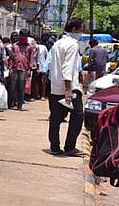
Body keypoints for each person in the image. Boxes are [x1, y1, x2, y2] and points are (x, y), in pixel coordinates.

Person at [47, 18, 85, 157]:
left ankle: (55, 147)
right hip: (69, 87)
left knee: (55, 119)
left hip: (55, 86)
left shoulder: (58, 44)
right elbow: (67, 67)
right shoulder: (72, 45)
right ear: (75, 30)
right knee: (78, 116)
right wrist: (68, 89)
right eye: (81, 29)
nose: (82, 32)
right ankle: (70, 147)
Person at [7, 29, 36, 110]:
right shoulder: (15, 46)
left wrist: (30, 69)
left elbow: (31, 58)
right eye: (22, 36)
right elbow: (11, 58)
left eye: (25, 36)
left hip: (24, 69)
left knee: (21, 87)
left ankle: (20, 105)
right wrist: (10, 67)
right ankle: (10, 104)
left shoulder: (30, 47)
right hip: (15, 68)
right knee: (12, 87)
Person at [33, 34, 49, 100]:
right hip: (42, 66)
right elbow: (47, 57)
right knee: (42, 82)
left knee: (37, 82)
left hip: (36, 66)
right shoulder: (43, 47)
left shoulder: (34, 47)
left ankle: (37, 96)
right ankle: (41, 96)